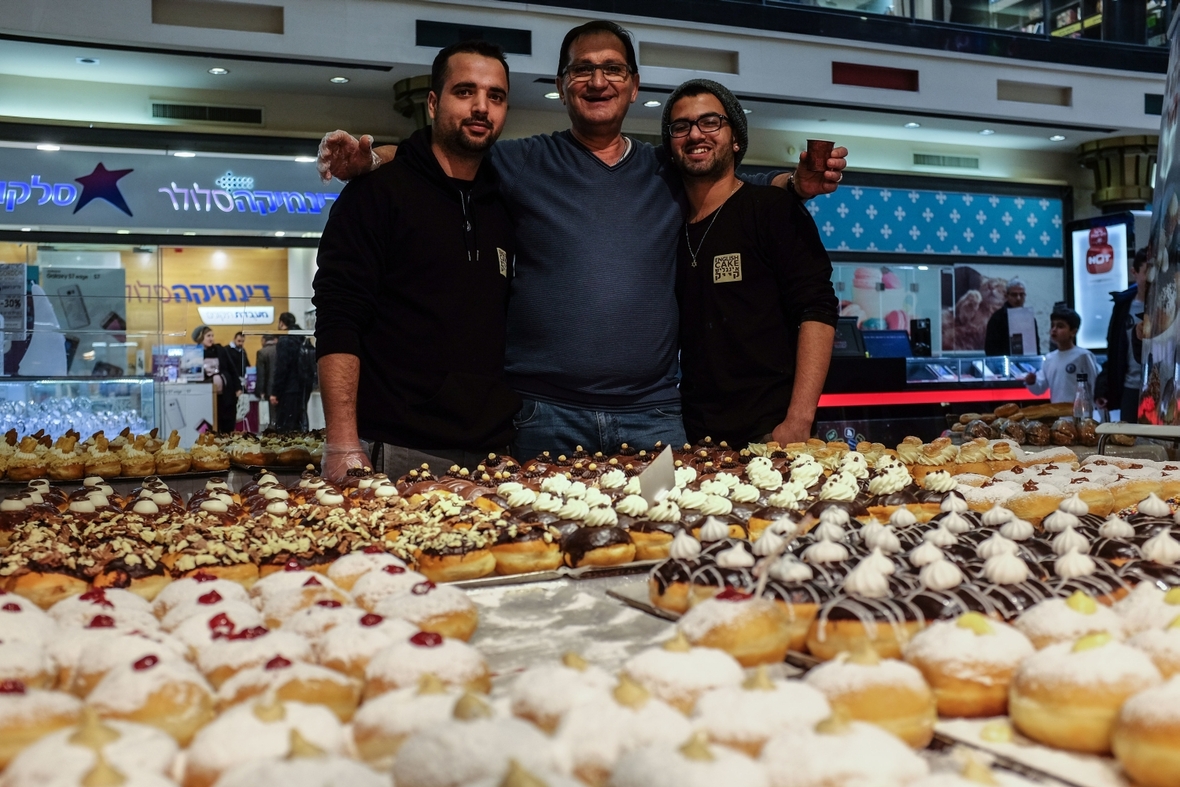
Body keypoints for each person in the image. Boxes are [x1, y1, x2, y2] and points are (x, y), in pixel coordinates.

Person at [316, 20, 848, 459]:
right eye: (583, 70)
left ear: (634, 87)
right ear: (562, 84)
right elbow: (445, 154)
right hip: (540, 415)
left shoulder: (665, 166)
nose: (598, 81)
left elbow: (727, 186)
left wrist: (791, 185)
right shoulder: (520, 160)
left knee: (661, 555)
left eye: (612, 69)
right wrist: (371, 157)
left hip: (655, 416)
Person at [313, 40, 519, 480]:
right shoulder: (377, 192)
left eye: (495, 96)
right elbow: (339, 316)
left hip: (493, 455)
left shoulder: (504, 200)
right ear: (432, 102)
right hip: (399, 452)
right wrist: (343, 442)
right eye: (465, 92)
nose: (481, 107)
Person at [665, 79, 838, 444]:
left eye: (711, 122)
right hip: (695, 437)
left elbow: (818, 310)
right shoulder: (667, 225)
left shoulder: (772, 209)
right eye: (681, 126)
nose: (695, 134)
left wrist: (798, 421)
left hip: (772, 434)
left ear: (736, 138)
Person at [1096, 247, 1148, 420]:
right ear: (1135, 272)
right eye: (1148, 271)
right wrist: (1103, 388)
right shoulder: (1123, 307)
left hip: (1161, 388)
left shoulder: (1168, 307)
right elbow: (1113, 350)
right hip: (1130, 387)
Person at [1023, 304, 1099, 405]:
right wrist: (1032, 382)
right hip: (1058, 415)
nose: (1054, 329)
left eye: (1060, 326)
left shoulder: (1083, 356)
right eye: (1052, 326)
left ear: (1073, 332)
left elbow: (1094, 385)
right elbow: (1040, 389)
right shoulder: (1049, 358)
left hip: (1081, 414)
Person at [193, 325, 242, 433]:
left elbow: (232, 369)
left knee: (227, 423)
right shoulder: (195, 353)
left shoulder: (220, 350)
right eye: (208, 336)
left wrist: (238, 388)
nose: (211, 338)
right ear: (200, 338)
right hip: (206, 396)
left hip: (225, 395)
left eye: (212, 335)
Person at [272, 312, 313, 433]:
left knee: (285, 426)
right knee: (300, 421)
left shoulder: (285, 340)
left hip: (288, 388)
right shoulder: (302, 338)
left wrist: (275, 392)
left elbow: (282, 368)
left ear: (281, 323)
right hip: (304, 386)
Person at [984, 277, 1040, 356]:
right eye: (1014, 295)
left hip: (1028, 364)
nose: (1018, 298)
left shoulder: (1030, 319)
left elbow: (1036, 347)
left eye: (1021, 295)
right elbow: (991, 349)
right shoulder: (997, 319)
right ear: (1006, 296)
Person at [255, 334, 278, 430]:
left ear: (263, 340)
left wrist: (260, 391)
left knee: (272, 416)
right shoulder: (280, 349)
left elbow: (261, 374)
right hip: (283, 387)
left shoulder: (262, 352)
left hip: (270, 389)